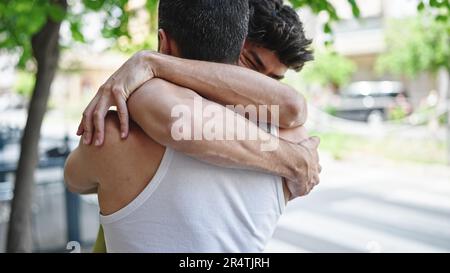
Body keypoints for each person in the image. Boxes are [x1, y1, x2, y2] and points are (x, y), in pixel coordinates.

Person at [65, 0, 320, 252]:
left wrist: (151, 62)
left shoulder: (121, 128)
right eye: (251, 65)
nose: (259, 88)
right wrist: (292, 158)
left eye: (274, 82)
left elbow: (75, 180)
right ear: (233, 44)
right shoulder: (296, 140)